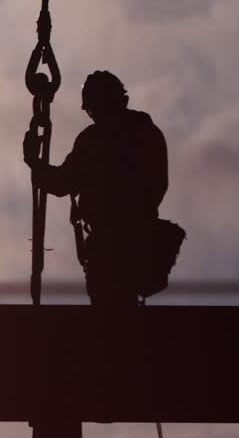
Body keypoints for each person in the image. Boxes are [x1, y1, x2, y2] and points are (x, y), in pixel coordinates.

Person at [24, 70, 168, 306]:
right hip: (137, 240)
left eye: (92, 108)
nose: (91, 114)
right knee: (121, 307)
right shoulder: (146, 132)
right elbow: (157, 186)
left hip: (112, 243)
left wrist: (34, 163)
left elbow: (63, 182)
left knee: (108, 308)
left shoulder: (95, 139)